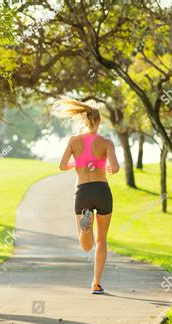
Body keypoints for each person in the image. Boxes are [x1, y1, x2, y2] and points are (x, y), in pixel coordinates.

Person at [52, 97, 120, 295]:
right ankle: (96, 283)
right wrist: (108, 166)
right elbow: (115, 168)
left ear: (82, 120)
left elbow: (62, 165)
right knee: (102, 241)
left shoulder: (73, 141)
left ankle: (85, 228)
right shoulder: (107, 143)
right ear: (99, 122)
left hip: (82, 191)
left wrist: (78, 164)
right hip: (102, 191)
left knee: (86, 245)